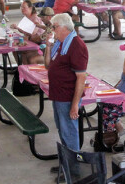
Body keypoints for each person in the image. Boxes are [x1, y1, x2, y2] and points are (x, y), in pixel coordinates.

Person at [44, 14, 88, 152]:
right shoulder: (60, 43)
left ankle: (73, 168)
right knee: (62, 130)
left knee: (69, 131)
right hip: (58, 94)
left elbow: (81, 77)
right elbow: (47, 65)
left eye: (54, 27)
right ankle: (66, 163)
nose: (52, 30)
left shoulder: (76, 46)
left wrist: (75, 104)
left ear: (64, 27)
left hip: (67, 96)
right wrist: (48, 47)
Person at [10, 0, 47, 64]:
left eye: (24, 7)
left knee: (22, 50)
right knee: (15, 50)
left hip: (39, 43)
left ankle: (25, 69)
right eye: (21, 7)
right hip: (32, 40)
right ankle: (21, 68)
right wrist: (17, 27)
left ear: (30, 8)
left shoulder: (35, 18)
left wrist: (18, 28)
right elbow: (25, 31)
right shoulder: (27, 17)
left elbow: (33, 33)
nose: (22, 9)